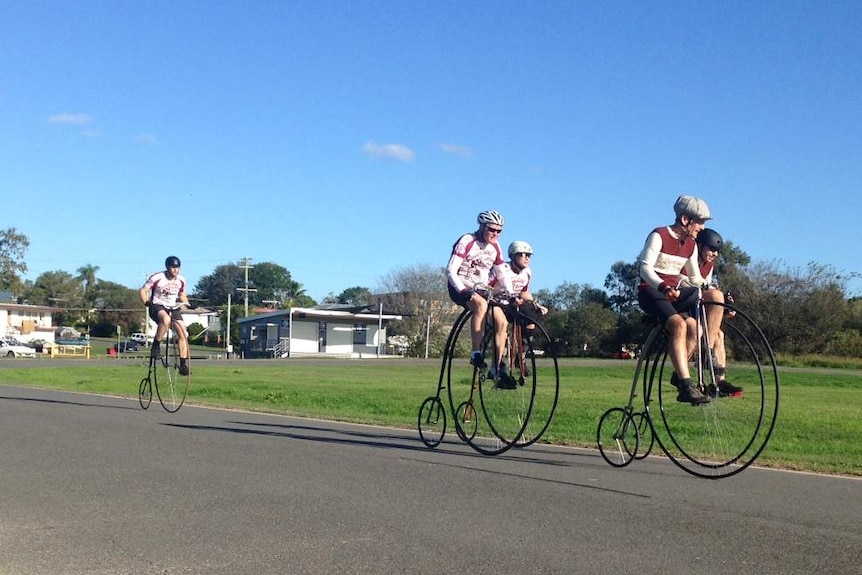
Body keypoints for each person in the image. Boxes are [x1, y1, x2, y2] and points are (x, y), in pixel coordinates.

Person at [636, 195, 725, 404]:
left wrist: (710, 288)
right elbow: (644, 268)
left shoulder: (691, 245)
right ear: (685, 219)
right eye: (700, 222)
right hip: (650, 289)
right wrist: (663, 286)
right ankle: (685, 386)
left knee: (700, 319)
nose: (702, 228)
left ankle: (704, 352)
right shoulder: (659, 236)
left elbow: (695, 278)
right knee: (679, 325)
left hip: (673, 291)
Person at [446, 210, 515, 370]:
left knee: (502, 322)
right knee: (480, 305)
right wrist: (463, 290)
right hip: (460, 285)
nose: (495, 234)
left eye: (499, 231)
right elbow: (450, 270)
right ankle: (475, 352)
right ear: (482, 227)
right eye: (491, 229)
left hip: (482, 289)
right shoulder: (467, 241)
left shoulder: (495, 246)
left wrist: (510, 292)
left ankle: (497, 368)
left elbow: (501, 273)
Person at [487, 240, 548, 385]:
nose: (527, 257)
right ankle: (497, 365)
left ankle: (520, 358)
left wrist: (536, 304)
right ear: (513, 256)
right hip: (495, 304)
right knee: (501, 327)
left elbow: (525, 292)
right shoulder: (503, 270)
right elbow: (486, 286)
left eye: (529, 255)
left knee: (532, 319)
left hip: (513, 307)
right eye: (522, 254)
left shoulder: (527, 273)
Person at [696, 228, 743, 397]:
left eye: (717, 251)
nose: (714, 254)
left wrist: (723, 310)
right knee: (705, 331)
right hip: (684, 307)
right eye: (711, 249)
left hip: (699, 308)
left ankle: (719, 380)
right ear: (699, 246)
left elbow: (706, 291)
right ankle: (704, 352)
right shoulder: (689, 260)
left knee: (719, 336)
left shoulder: (708, 266)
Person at [140, 255, 194, 376]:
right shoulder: (157, 277)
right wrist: (146, 302)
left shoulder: (181, 280)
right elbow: (143, 290)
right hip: (157, 305)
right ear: (167, 267)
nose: (175, 270)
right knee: (166, 319)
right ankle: (156, 345)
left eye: (177, 267)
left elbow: (181, 295)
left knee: (183, 333)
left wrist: (188, 304)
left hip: (172, 307)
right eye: (173, 267)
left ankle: (183, 364)